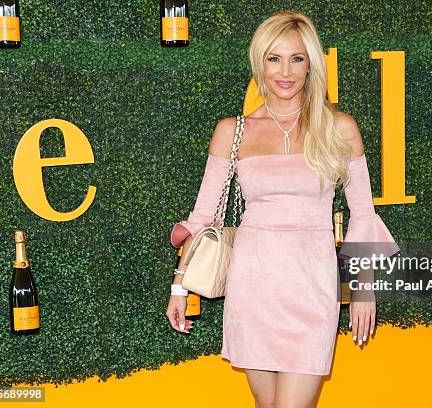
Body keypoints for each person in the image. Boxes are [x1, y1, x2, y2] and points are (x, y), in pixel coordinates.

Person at [166, 10, 399, 408]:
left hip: (312, 283)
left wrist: (364, 289)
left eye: (297, 58)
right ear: (260, 63)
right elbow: (203, 217)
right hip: (253, 282)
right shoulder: (233, 132)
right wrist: (178, 286)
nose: (285, 71)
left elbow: (362, 212)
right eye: (274, 58)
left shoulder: (339, 128)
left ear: (311, 64)